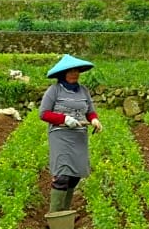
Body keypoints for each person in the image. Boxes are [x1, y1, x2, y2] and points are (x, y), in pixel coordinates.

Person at [39, 54, 103, 214]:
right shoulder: (54, 90)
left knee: (74, 176)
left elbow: (90, 111)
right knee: (62, 176)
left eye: (77, 71)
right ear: (63, 73)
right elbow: (44, 113)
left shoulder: (83, 91)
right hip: (61, 135)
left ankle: (64, 212)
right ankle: (55, 214)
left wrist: (94, 120)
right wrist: (64, 118)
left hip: (79, 136)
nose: (74, 73)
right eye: (71, 71)